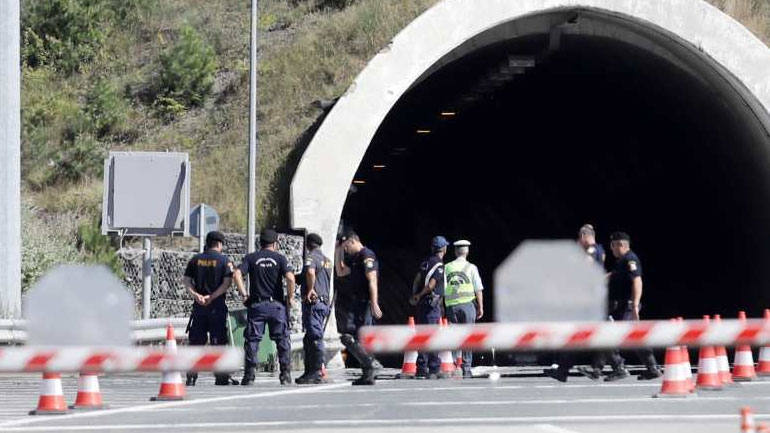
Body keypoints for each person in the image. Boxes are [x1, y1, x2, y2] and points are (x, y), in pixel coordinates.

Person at [587, 231, 662, 382]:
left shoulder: (630, 259)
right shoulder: (621, 261)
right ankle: (652, 368)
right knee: (634, 337)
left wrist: (634, 305)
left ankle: (618, 369)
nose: (611, 249)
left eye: (613, 246)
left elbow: (637, 281)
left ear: (620, 244)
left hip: (626, 307)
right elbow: (614, 275)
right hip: (620, 307)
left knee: (606, 334)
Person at [545, 224, 607, 382]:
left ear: (584, 237)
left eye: (580, 240)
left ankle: (565, 370)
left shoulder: (591, 250)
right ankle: (564, 370)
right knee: (586, 334)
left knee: (578, 334)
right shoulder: (601, 250)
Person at [234, 228, 296, 386]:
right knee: (282, 340)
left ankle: (249, 376)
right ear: (275, 243)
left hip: (257, 306)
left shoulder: (252, 258)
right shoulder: (280, 258)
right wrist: (290, 297)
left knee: (253, 340)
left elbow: (236, 274)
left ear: (260, 242)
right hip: (277, 306)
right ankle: (285, 375)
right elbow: (290, 277)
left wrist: (244, 295)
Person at [182, 230, 238, 386]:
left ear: (207, 243)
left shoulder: (195, 260)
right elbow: (227, 283)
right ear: (219, 244)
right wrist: (212, 297)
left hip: (199, 307)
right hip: (216, 306)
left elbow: (186, 280)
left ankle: (191, 375)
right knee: (218, 342)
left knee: (196, 342)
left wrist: (197, 295)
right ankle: (221, 376)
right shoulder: (224, 261)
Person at [335, 230, 383, 386]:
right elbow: (341, 271)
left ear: (352, 241)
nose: (345, 250)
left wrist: (374, 302)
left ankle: (371, 366)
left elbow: (372, 280)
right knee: (357, 336)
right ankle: (368, 370)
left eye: (345, 246)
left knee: (363, 336)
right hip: (358, 302)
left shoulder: (366, 256)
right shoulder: (355, 258)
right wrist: (338, 251)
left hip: (365, 302)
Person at [409, 236, 450, 379]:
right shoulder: (439, 265)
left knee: (422, 334)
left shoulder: (425, 262)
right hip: (431, 304)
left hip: (422, 304)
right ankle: (434, 367)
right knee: (432, 335)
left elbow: (417, 279)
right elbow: (432, 284)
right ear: (443, 249)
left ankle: (421, 367)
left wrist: (414, 295)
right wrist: (420, 295)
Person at [296, 233, 332, 385]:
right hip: (323, 303)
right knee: (309, 338)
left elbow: (310, 272)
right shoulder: (327, 260)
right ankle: (310, 372)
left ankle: (316, 371)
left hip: (313, 303)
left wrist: (310, 289)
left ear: (308, 244)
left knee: (315, 337)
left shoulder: (311, 257)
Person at [444, 239, 484, 379]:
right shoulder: (472, 268)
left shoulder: (447, 267)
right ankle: (467, 368)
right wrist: (481, 307)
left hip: (451, 307)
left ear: (455, 251)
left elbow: (442, 288)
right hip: (468, 306)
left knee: (454, 337)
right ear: (467, 252)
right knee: (468, 338)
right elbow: (478, 288)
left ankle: (455, 365)